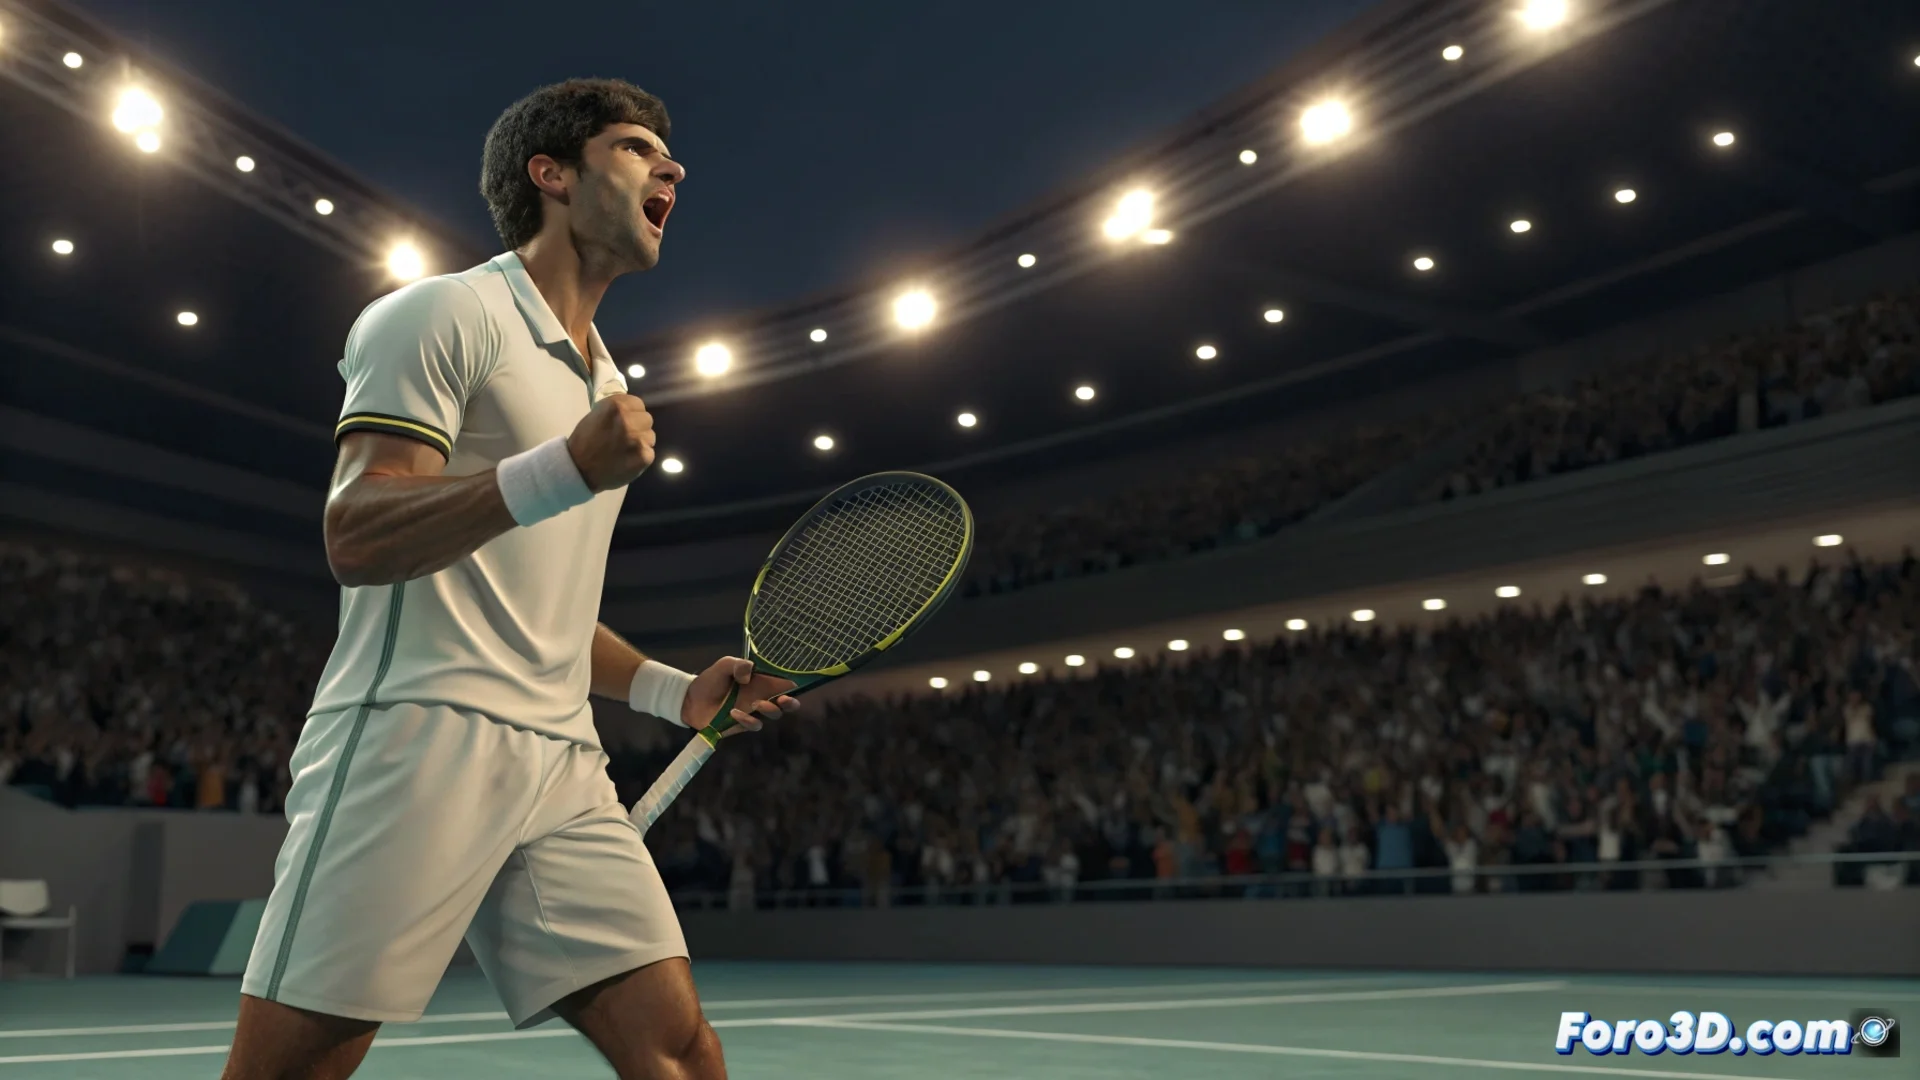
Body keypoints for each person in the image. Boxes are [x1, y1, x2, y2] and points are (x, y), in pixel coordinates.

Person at [222, 80, 798, 1080]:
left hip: (563, 765)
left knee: (677, 1048)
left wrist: (672, 691)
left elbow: (544, 608)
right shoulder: (443, 315)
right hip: (413, 738)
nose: (674, 168)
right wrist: (561, 468)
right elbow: (356, 532)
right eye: (635, 149)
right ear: (553, 175)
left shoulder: (608, 384)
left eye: (668, 155)